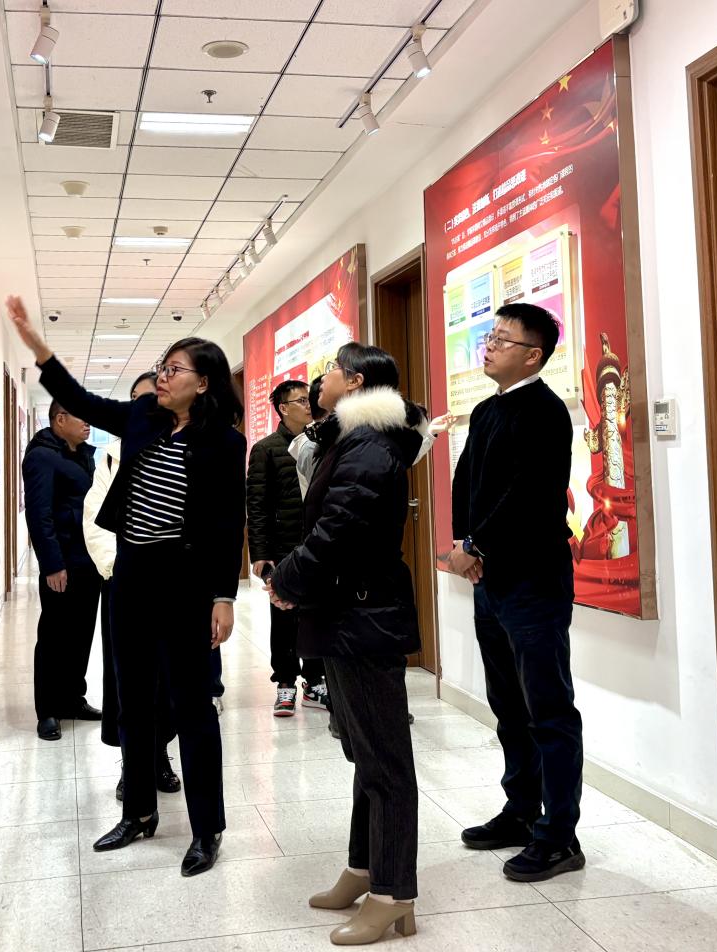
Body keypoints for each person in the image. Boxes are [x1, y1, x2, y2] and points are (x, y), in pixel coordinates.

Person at [7, 295, 245, 878]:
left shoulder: (223, 442)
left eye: (174, 370)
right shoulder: (142, 417)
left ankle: (207, 827)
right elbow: (84, 400)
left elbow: (225, 524)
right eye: (162, 367)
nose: (162, 377)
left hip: (185, 583)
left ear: (203, 383)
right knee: (132, 701)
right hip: (132, 578)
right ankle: (138, 812)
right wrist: (40, 349)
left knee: (192, 706)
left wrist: (224, 596)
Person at [268, 342, 427, 945]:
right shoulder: (353, 439)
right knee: (366, 756)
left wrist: (288, 580)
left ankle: (394, 893)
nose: (321, 379)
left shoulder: (369, 445)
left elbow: (337, 531)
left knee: (385, 763)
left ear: (355, 381)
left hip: (363, 618)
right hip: (347, 614)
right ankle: (365, 869)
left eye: (331, 369)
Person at [446, 302, 585, 884]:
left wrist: (476, 544)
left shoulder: (546, 412)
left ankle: (560, 835)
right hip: (492, 580)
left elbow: (529, 496)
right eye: (490, 336)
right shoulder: (486, 409)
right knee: (508, 705)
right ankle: (522, 809)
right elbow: (466, 481)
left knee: (548, 709)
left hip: (533, 581)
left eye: (503, 339)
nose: (489, 346)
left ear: (533, 355)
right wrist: (464, 541)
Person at [83, 370, 181, 802]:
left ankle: (159, 756)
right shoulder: (112, 456)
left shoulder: (182, 447)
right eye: (138, 400)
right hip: (123, 583)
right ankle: (132, 765)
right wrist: (116, 568)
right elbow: (95, 519)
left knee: (166, 678)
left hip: (171, 586)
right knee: (127, 682)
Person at [22, 401, 102, 741]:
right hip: (62, 563)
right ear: (60, 419)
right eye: (82, 416)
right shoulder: (42, 456)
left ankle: (72, 698)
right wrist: (52, 565)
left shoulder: (82, 454)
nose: (88, 422)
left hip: (89, 561)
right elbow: (39, 515)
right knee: (55, 636)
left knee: (81, 634)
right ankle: (48, 711)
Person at [248, 379, 327, 717]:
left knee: (316, 613)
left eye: (309, 399)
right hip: (282, 548)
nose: (309, 405)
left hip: (316, 546)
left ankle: (315, 681)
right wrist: (260, 553)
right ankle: (284, 683)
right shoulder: (266, 449)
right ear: (283, 408)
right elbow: (257, 505)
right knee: (283, 616)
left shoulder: (321, 442)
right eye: (301, 401)